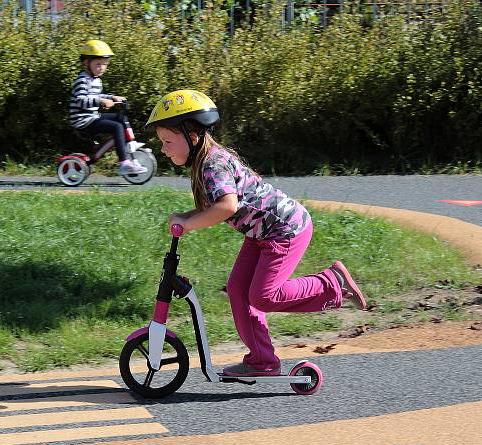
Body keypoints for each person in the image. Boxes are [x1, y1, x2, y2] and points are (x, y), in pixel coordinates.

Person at [145, 89, 368, 377]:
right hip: (262, 233)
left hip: (285, 230)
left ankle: (331, 284)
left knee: (263, 296)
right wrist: (186, 216)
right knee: (239, 290)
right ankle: (262, 361)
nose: (163, 149)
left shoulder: (213, 163)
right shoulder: (205, 162)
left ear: (193, 136)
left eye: (167, 141)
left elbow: (226, 206)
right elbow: (216, 205)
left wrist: (187, 224)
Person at [69, 39, 147, 175]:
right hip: (83, 121)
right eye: (98, 64)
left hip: (92, 117)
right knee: (116, 127)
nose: (102, 68)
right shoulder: (82, 79)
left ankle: (131, 143)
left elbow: (99, 94)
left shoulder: (96, 80)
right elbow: (81, 100)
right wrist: (101, 101)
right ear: (87, 63)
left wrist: (112, 97)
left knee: (120, 118)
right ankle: (124, 163)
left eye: (104, 64)